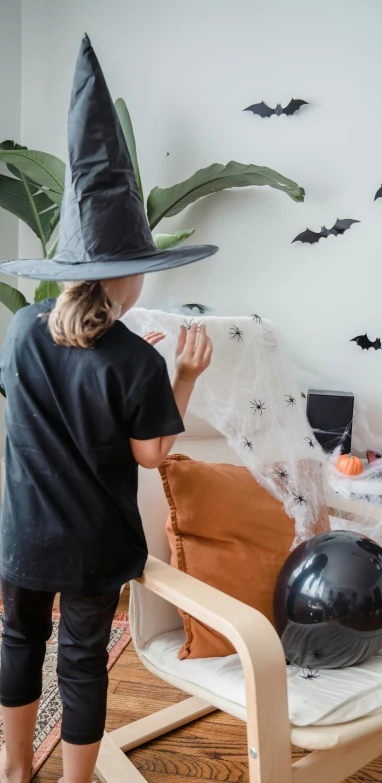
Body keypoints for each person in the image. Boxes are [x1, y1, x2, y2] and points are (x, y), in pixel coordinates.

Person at [0, 35, 218, 783]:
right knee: (82, 659)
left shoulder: (23, 326)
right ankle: (77, 780)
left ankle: (13, 767)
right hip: (94, 545)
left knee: (17, 642)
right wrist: (184, 375)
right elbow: (152, 455)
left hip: (24, 533)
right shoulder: (135, 358)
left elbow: (25, 405)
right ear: (127, 277)